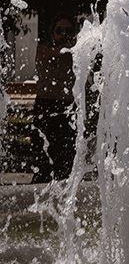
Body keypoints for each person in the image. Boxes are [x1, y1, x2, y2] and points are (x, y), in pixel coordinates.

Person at [31, 16, 77, 182]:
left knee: (66, 157)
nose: (64, 34)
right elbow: (57, 52)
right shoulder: (43, 49)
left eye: (68, 31)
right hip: (46, 106)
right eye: (59, 30)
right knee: (42, 156)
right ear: (52, 33)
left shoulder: (75, 53)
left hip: (67, 107)